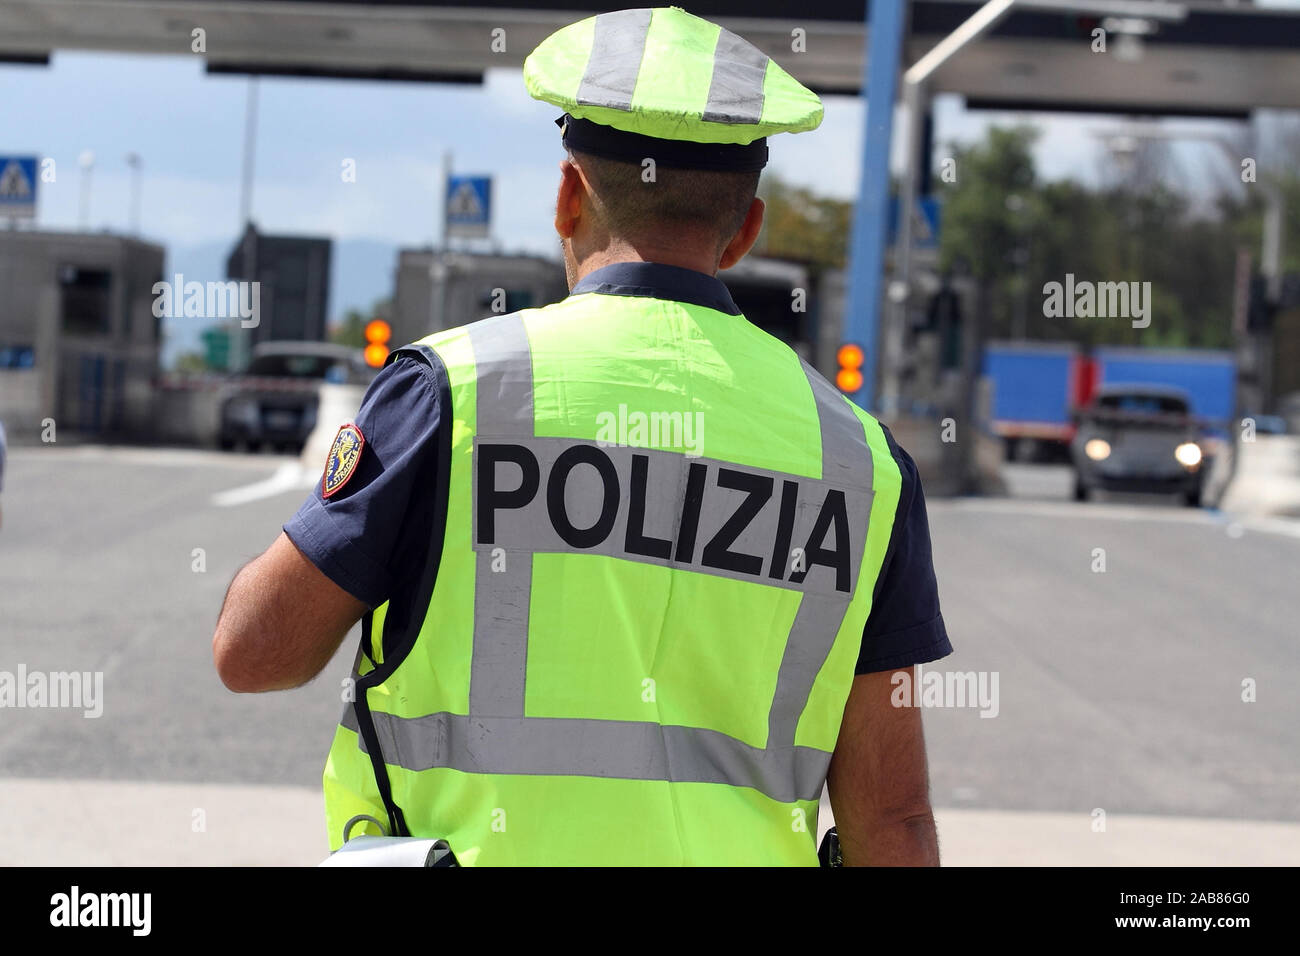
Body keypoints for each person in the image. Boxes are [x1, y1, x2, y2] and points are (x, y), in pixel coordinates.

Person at [213, 6, 951, 866]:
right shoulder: (860, 462)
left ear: (568, 197)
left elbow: (254, 654)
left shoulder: (451, 394)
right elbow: (891, 822)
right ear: (745, 230)